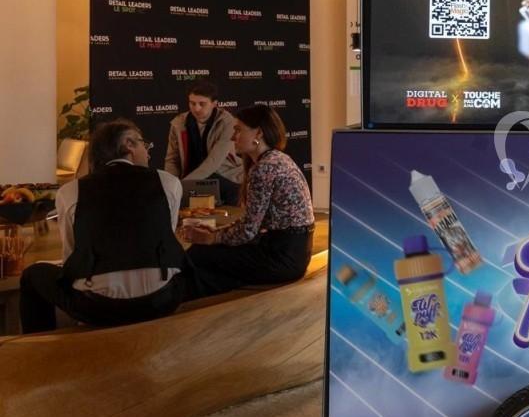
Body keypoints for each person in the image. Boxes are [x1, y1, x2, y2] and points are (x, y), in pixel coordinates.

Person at [19, 120, 187, 333]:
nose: (148, 151)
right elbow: (167, 240)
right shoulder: (169, 182)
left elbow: (72, 256)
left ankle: (40, 355)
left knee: (33, 275)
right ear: (129, 145)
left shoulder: (71, 191)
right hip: (162, 300)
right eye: (144, 144)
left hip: (98, 307)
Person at [184, 105, 314, 297]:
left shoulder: (264, 168)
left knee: (199, 253)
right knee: (211, 257)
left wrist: (212, 237)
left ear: (258, 133)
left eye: (238, 130)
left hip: (282, 257)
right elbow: (251, 225)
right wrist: (218, 233)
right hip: (292, 254)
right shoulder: (277, 159)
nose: (232, 136)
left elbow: (248, 231)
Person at [164, 80, 242, 205]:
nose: (196, 108)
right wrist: (170, 183)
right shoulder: (178, 123)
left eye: (202, 104)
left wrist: (182, 185)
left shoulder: (228, 122)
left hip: (224, 177)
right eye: (192, 103)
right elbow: (172, 159)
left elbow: (213, 162)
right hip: (190, 177)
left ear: (214, 104)